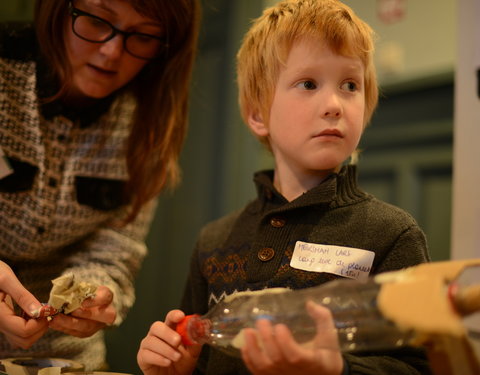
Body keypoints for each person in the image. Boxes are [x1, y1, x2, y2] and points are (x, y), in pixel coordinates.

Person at [137, 0, 433, 374]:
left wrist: (335, 370)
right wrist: (176, 367)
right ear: (259, 115)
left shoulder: (392, 235)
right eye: (308, 84)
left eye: (350, 85)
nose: (334, 104)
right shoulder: (214, 242)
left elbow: (418, 367)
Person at [0, 0, 200, 370]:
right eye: (96, 20)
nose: (112, 51)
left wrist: (96, 293)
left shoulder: (147, 121)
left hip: (69, 361)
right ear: (59, 9)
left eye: (142, 36)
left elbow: (115, 249)